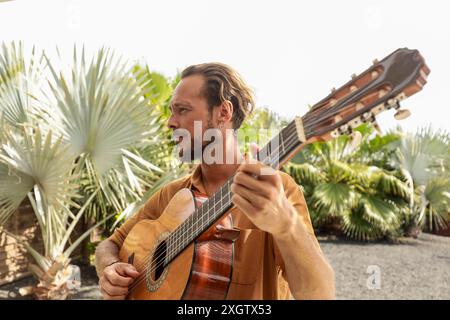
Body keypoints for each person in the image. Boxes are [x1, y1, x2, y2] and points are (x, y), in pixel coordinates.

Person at [95, 62, 335, 300]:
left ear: (223, 112)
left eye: (183, 110)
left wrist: (286, 224)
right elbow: (110, 244)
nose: (170, 122)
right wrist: (110, 268)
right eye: (171, 110)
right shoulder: (171, 194)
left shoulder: (276, 191)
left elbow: (320, 294)